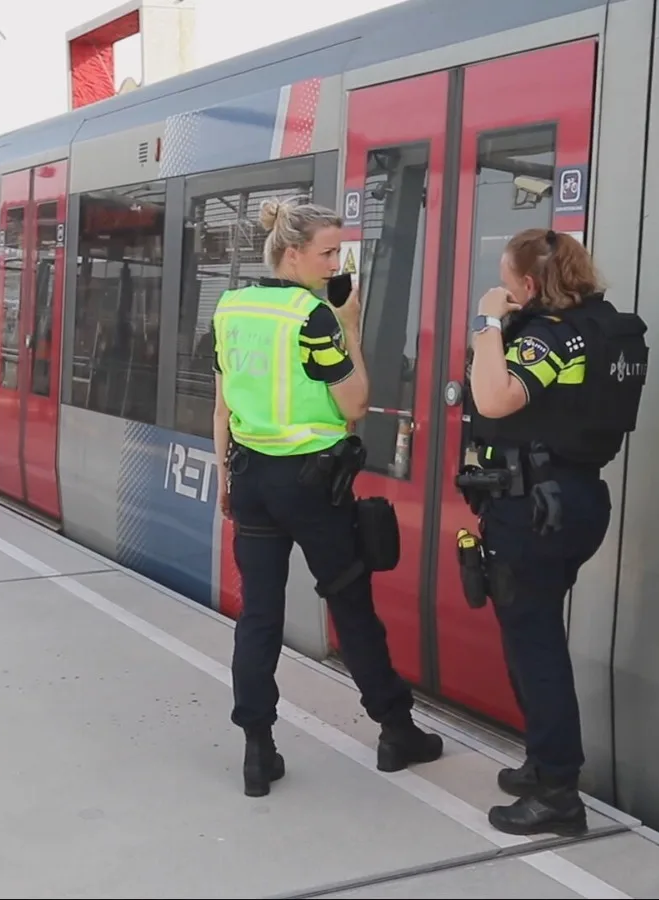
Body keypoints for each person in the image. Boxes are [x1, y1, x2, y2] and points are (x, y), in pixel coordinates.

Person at [213, 196, 443, 797]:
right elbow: (355, 403)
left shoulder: (231, 307)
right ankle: (396, 729)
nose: (336, 263)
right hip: (312, 486)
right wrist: (350, 326)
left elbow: (224, 401)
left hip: (253, 477)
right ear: (292, 254)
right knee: (350, 605)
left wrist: (225, 477)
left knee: (259, 615)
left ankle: (257, 749)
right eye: (328, 252)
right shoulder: (311, 317)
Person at [456, 228, 647, 835]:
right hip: (574, 499)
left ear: (530, 285)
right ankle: (542, 762)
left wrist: (488, 322)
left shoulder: (552, 336)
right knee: (531, 632)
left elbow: (493, 399)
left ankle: (559, 790)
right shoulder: (601, 324)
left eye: (506, 280)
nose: (501, 289)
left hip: (533, 509)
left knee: (535, 644)